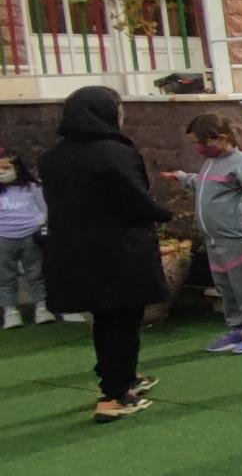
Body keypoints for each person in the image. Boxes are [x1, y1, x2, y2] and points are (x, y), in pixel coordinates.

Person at [39, 86, 173, 421]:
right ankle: (116, 395)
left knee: (105, 319)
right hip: (119, 250)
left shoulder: (53, 156)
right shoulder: (115, 153)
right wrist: (162, 213)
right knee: (124, 320)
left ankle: (120, 377)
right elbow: (134, 199)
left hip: (76, 251)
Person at [163, 112, 242, 355]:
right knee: (225, 284)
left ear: (222, 138)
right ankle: (239, 327)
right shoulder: (211, 163)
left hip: (236, 234)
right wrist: (183, 178)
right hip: (214, 236)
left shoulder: (240, 162)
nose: (198, 148)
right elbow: (204, 184)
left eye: (201, 142)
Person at [0, 144, 53, 328]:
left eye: (6, 167)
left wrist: (40, 223)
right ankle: (10, 311)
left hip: (31, 235)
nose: (2, 172)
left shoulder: (32, 187)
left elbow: (44, 208)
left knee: (36, 272)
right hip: (3, 237)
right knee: (5, 276)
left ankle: (41, 307)